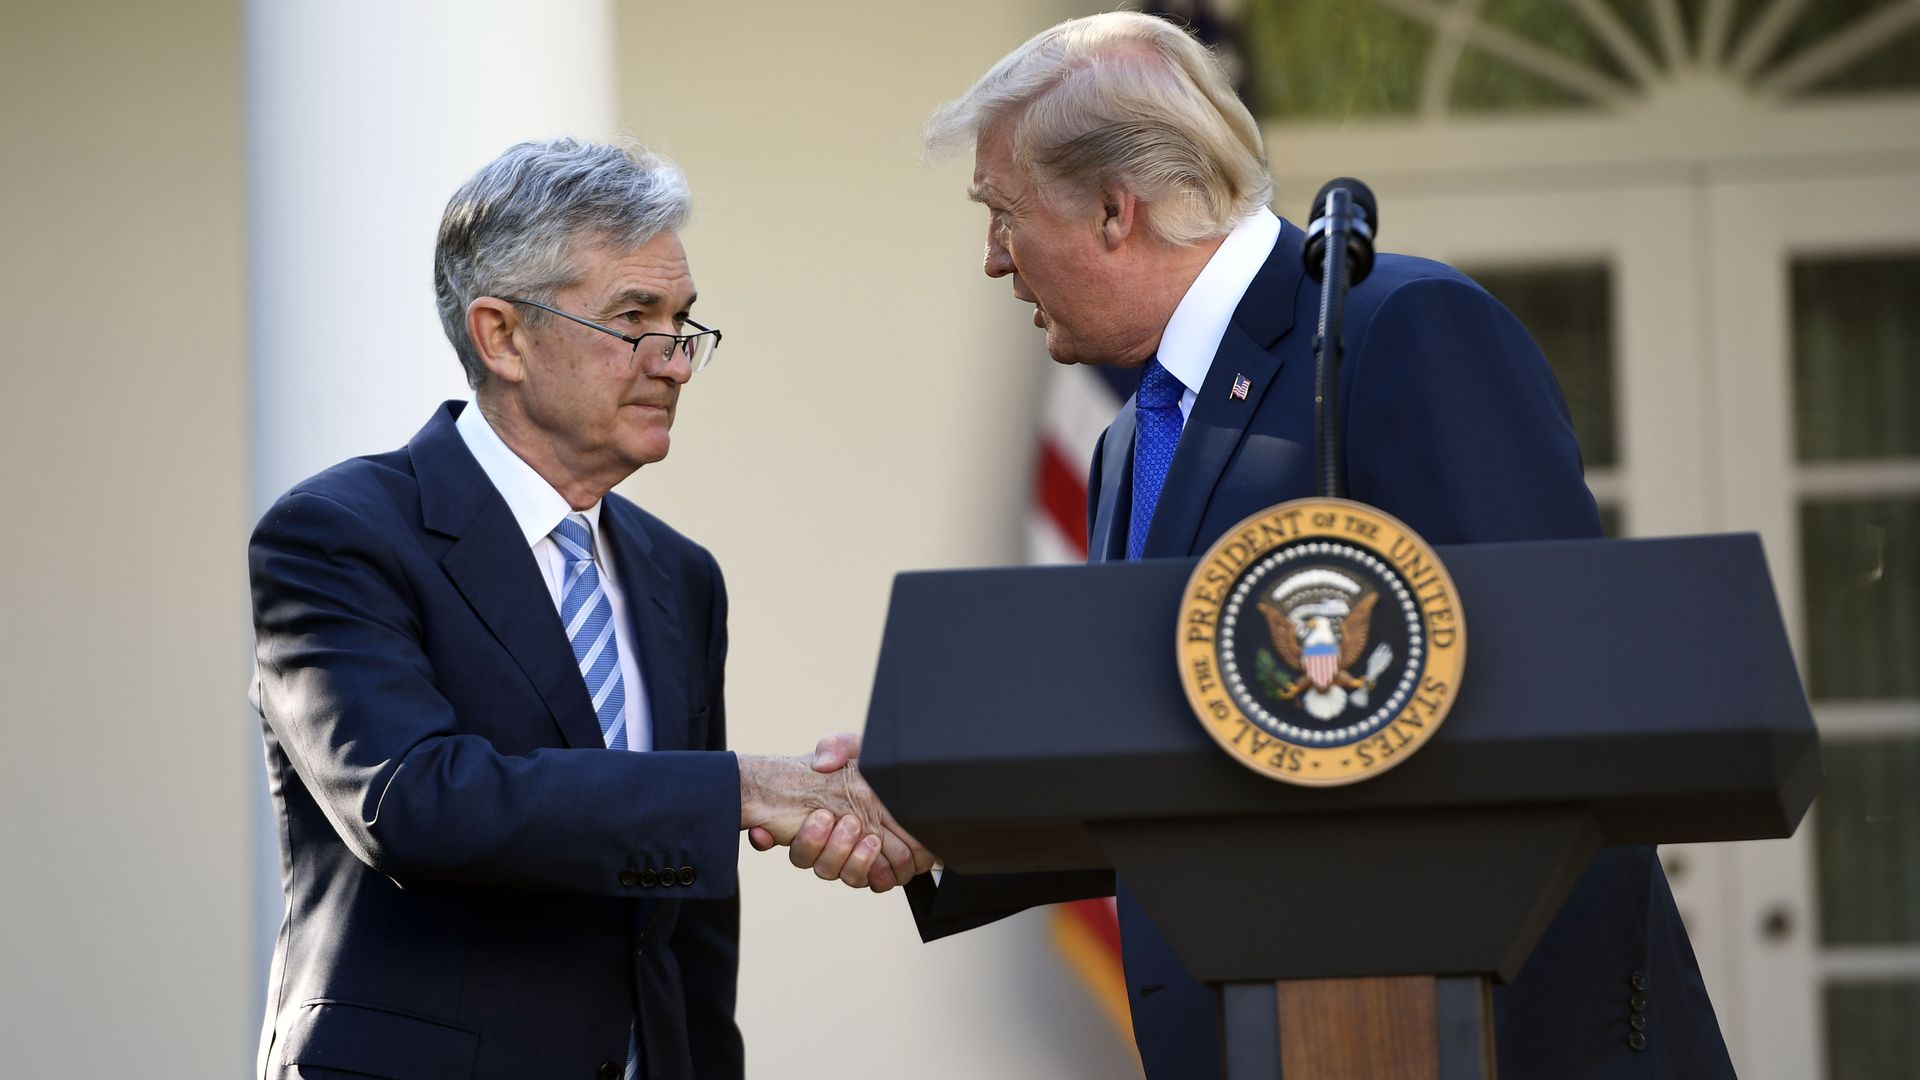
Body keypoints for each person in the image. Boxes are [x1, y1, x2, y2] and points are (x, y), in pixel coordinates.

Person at [791, 12, 1733, 1078]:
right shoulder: (1123, 448)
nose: (993, 258)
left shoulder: (1399, 334)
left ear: (1113, 210)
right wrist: (931, 806)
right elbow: (1168, 770)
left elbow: (1555, 696)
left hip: (1480, 1038)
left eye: (1002, 214)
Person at [248, 138, 927, 1080]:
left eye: (683, 321)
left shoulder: (678, 573)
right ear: (503, 336)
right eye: (633, 319)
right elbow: (412, 803)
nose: (676, 363)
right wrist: (742, 786)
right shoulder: (338, 535)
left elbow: (687, 923)